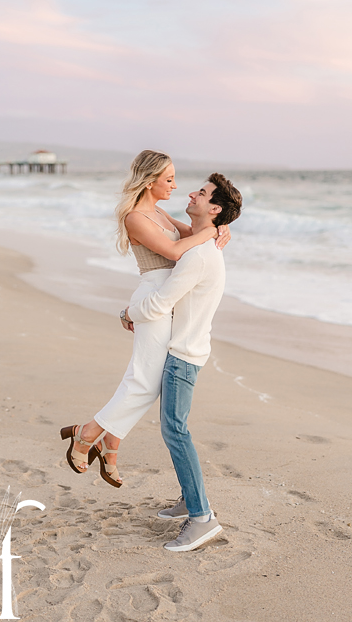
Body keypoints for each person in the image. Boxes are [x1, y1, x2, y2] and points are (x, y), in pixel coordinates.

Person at [60, 150, 229, 487]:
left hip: (167, 300)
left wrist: (218, 227)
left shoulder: (159, 212)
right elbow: (178, 251)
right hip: (153, 296)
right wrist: (213, 232)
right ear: (150, 181)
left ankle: (111, 441)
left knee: (146, 381)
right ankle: (88, 433)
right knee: (144, 381)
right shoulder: (135, 217)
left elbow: (192, 235)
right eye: (168, 179)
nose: (175, 185)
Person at [122, 173, 243, 551]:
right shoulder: (203, 245)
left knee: (175, 430)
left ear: (215, 208)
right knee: (176, 428)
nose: (191, 192)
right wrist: (215, 230)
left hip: (183, 355)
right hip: (189, 349)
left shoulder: (196, 255)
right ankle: (189, 500)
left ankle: (202, 517)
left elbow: (160, 304)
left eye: (202, 193)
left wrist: (127, 312)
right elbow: (165, 221)